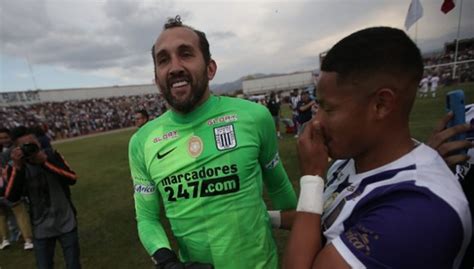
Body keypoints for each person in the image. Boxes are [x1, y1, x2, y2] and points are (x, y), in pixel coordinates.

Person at [284, 27, 471, 268]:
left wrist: (311, 179)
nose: (316, 121)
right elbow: (323, 214)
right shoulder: (348, 161)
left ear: (381, 105)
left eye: (328, 108)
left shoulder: (419, 212)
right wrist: (270, 218)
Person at [129, 15, 296, 269]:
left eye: (186, 54)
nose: (174, 67)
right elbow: (147, 218)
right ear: (156, 78)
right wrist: (165, 261)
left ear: (210, 68)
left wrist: (300, 234)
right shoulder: (142, 141)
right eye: (163, 60)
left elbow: (280, 189)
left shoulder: (254, 117)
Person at [4, 126, 81, 269]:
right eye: (25, 146)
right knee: (44, 265)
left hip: (66, 221)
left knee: (73, 264)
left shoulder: (51, 155)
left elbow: (72, 179)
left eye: (33, 143)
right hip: (40, 226)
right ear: (17, 149)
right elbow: (11, 196)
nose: (31, 148)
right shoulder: (15, 166)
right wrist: (18, 167)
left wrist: (45, 162)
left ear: (39, 143)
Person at [0, 127, 34, 250]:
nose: (3, 140)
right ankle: (23, 238)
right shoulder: (8, 152)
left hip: (9, 186)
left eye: (5, 137)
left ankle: (13, 238)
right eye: (1, 138)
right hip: (7, 187)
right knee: (16, 213)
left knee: (9, 214)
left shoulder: (9, 151)